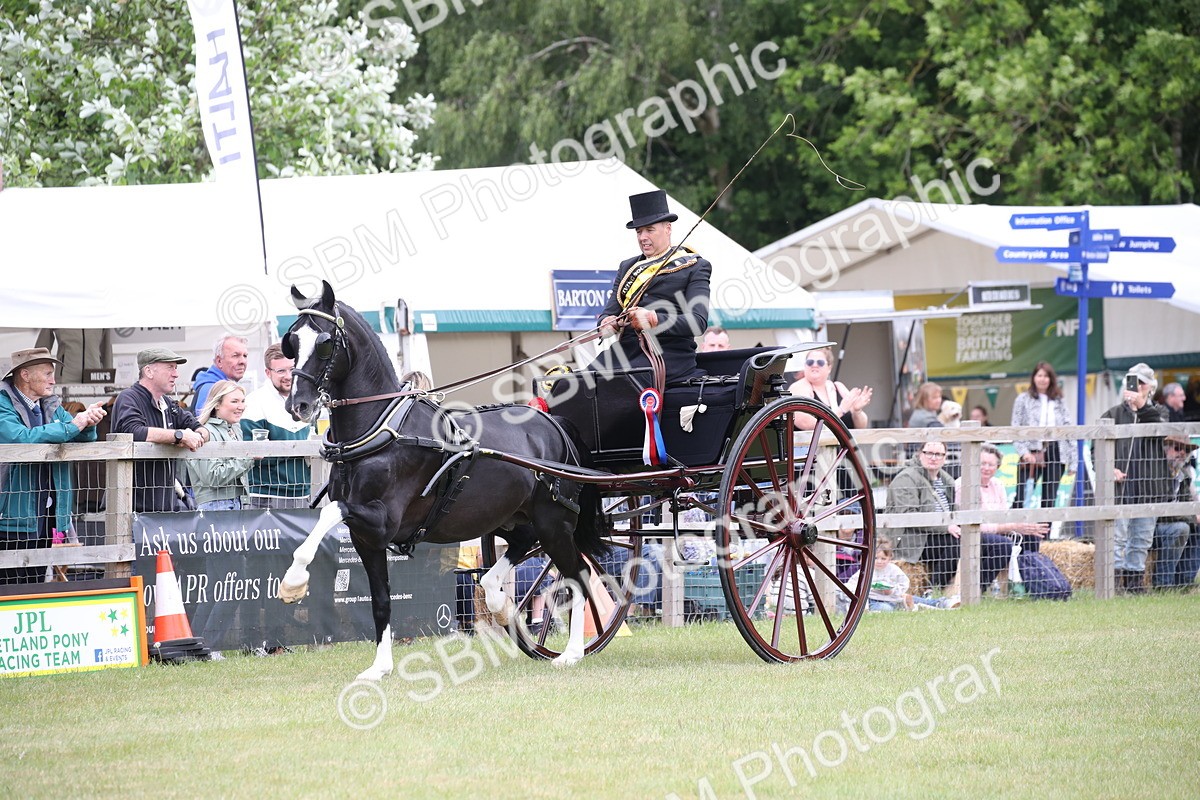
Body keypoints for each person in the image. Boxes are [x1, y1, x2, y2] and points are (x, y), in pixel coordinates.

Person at [0, 348, 106, 584]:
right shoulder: (2, 403)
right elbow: (21, 438)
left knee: (36, 581)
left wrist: (88, 423)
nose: (53, 380)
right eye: (47, 373)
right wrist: (73, 426)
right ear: (25, 375)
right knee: (11, 585)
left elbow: (82, 436)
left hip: (44, 515)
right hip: (10, 514)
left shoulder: (50, 404)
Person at [588, 190, 711, 384]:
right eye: (639, 231)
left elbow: (698, 322)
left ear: (668, 229)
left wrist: (654, 319)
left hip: (668, 356)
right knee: (579, 384)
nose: (642, 237)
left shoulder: (695, 266)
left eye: (649, 230)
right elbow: (608, 313)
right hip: (625, 353)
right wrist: (608, 323)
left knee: (618, 388)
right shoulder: (628, 267)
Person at [1099, 363, 1170, 593]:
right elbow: (1095, 448)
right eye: (1132, 381)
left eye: (1142, 382)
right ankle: (1115, 584)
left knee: (1142, 539)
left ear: (1150, 387)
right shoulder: (1112, 414)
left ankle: (1135, 583)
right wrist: (1108, 468)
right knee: (1117, 538)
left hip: (1149, 486)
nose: (1137, 386)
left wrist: (1141, 406)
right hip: (1121, 488)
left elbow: (1162, 430)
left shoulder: (1160, 412)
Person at [111, 347, 210, 513]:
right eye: (170, 367)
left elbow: (201, 428)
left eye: (176, 368)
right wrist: (179, 436)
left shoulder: (168, 403)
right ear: (149, 371)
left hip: (166, 507)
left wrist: (197, 436)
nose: (176, 374)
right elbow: (133, 432)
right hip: (133, 510)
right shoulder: (128, 398)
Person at [952, 444, 1049, 596]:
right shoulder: (962, 484)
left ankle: (1027, 587)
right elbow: (967, 523)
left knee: (1031, 538)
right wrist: (1008, 527)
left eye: (991, 464)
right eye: (982, 463)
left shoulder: (998, 484)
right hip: (970, 534)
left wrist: (1020, 527)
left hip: (997, 531)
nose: (986, 468)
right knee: (1003, 545)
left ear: (997, 467)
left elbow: (1004, 516)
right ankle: (977, 589)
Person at [241, 344, 312, 509]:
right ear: (267, 372)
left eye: (292, 369)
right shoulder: (254, 402)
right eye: (281, 371)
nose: (288, 376)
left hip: (302, 493)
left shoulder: (305, 401)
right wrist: (297, 450)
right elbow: (254, 456)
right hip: (265, 496)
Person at [886, 440, 960, 592]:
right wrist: (945, 527)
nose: (933, 458)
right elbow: (908, 516)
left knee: (993, 544)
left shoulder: (946, 480)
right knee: (957, 544)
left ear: (945, 457)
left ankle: (978, 590)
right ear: (920, 454)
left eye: (939, 454)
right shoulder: (906, 478)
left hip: (940, 533)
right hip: (913, 539)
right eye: (929, 453)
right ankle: (932, 589)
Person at [1009, 362, 1076, 509]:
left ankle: (1045, 532)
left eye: (1046, 376)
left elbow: (1068, 428)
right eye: (1039, 375)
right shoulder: (1023, 399)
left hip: (1056, 450)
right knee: (1022, 496)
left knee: (1049, 500)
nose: (1042, 379)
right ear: (1033, 378)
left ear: (1051, 379)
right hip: (1031, 450)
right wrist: (1024, 452)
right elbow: (1016, 428)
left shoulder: (1059, 400)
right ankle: (1014, 531)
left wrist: (1073, 460)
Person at [186, 380, 255, 511]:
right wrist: (249, 458)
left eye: (242, 401)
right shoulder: (204, 433)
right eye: (234, 401)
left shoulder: (236, 429)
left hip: (238, 502)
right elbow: (212, 476)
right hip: (214, 505)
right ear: (217, 404)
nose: (241, 406)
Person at [845, 537, 953, 611]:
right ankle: (905, 606)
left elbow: (904, 582)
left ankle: (941, 603)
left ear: (890, 557)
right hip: (874, 599)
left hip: (894, 597)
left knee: (915, 599)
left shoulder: (893, 569)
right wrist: (865, 591)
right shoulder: (866, 570)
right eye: (876, 558)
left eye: (883, 558)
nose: (879, 561)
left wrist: (893, 590)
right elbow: (852, 585)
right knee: (885, 609)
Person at [786, 345, 872, 431]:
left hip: (844, 443)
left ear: (829, 368)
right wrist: (840, 411)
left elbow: (861, 427)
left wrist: (857, 411)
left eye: (820, 362)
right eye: (810, 362)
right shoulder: (799, 387)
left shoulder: (838, 387)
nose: (814, 365)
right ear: (805, 365)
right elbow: (805, 423)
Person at [1152, 435, 1198, 589]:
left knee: (1193, 528)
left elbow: (1188, 503)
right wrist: (1191, 517)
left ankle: (1184, 582)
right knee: (1181, 528)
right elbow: (1159, 513)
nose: (1182, 453)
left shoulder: (1183, 476)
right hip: (1150, 529)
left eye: (1186, 450)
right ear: (1166, 450)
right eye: (1177, 448)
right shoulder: (1156, 473)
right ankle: (1163, 584)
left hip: (1174, 523)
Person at [190, 334, 250, 413]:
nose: (243, 361)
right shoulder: (211, 389)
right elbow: (203, 424)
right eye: (236, 356)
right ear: (219, 361)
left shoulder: (223, 387)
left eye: (245, 356)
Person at [35, 328, 113, 383]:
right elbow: (41, 350)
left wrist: (109, 383)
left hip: (95, 376)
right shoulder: (60, 312)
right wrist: (38, 380)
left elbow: (106, 350)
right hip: (66, 376)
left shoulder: (99, 313)